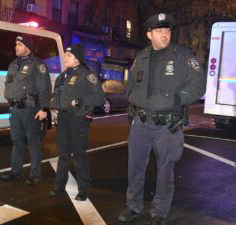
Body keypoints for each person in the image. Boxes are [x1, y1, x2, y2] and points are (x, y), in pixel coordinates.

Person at [118, 13, 206, 225]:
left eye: (167, 30)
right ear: (149, 34)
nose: (165, 34)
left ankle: (159, 212)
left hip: (167, 125)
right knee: (135, 168)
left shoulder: (183, 55)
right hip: (140, 122)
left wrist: (176, 98)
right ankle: (133, 205)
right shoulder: (142, 56)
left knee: (165, 171)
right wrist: (132, 97)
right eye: (159, 31)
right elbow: (131, 84)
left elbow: (198, 84)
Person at [49, 44, 104, 201]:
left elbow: (99, 98)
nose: (65, 57)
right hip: (63, 119)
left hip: (78, 119)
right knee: (63, 154)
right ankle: (58, 186)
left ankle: (83, 189)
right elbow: (55, 94)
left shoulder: (87, 76)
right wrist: (53, 100)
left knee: (79, 155)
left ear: (77, 58)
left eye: (68, 55)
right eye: (65, 55)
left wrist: (79, 101)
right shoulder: (63, 76)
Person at [1, 34, 52, 185]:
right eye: (16, 44)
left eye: (19, 45)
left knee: (33, 141)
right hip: (15, 109)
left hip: (30, 109)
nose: (15, 47)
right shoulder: (14, 64)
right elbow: (8, 83)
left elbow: (45, 87)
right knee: (16, 141)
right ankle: (15, 172)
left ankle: (35, 174)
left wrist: (43, 108)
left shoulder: (37, 64)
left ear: (27, 47)